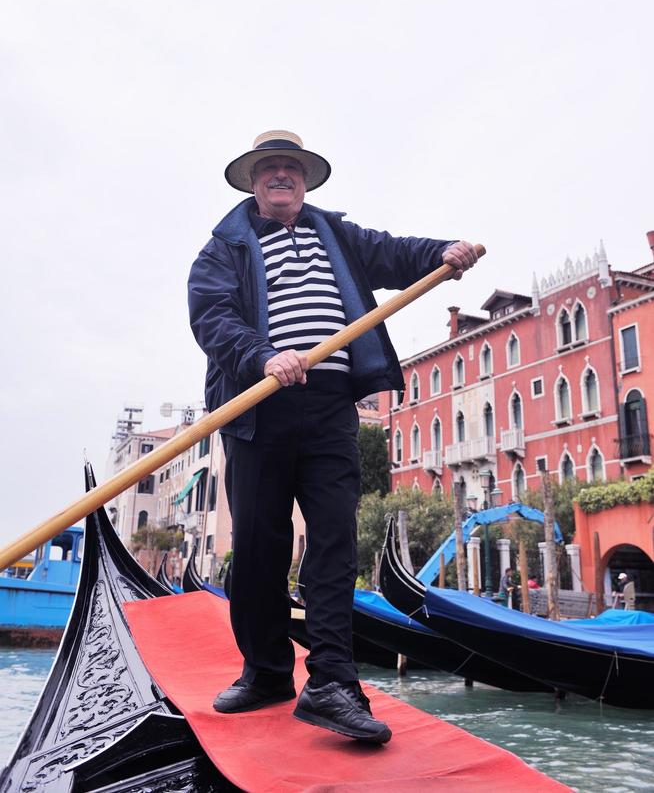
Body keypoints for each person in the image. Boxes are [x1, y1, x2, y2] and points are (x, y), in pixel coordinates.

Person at [188, 130, 478, 744]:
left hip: (330, 409)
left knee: (334, 542)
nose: (281, 176)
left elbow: (397, 254)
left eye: (291, 168)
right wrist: (263, 356)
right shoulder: (223, 249)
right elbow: (212, 317)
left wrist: (444, 253)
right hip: (258, 408)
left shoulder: (336, 233)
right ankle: (266, 672)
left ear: (305, 179)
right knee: (262, 547)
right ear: (252, 182)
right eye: (269, 169)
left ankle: (333, 683)